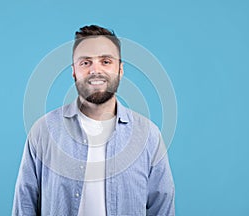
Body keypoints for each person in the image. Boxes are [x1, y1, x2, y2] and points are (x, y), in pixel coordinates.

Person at [12, 25, 175, 216]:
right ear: (74, 71)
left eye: (106, 61)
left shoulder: (148, 135)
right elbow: (25, 204)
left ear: (120, 69)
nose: (95, 70)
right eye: (85, 62)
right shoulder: (44, 131)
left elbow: (162, 207)